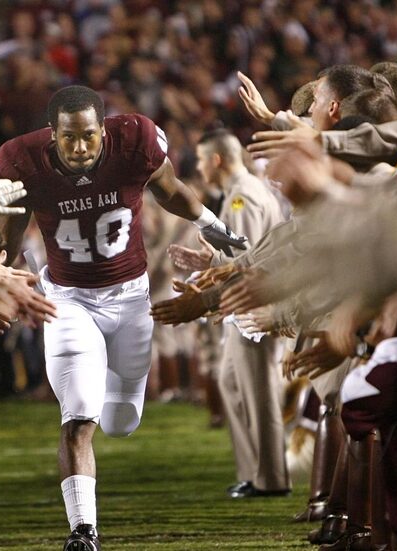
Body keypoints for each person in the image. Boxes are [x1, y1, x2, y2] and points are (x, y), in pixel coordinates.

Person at [0, 85, 245, 551]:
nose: (80, 147)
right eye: (68, 138)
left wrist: (213, 226)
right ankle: (83, 531)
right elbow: (6, 235)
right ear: (52, 135)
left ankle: (107, 387)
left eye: (88, 136)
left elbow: (170, 190)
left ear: (104, 130)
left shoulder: (135, 141)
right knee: (78, 417)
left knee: (121, 421)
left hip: (130, 297)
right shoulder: (22, 161)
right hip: (68, 299)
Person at [166, 128, 289, 498]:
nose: (200, 166)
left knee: (258, 391)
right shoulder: (239, 193)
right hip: (242, 305)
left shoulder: (243, 197)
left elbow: (249, 260)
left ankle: (269, 478)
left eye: (202, 159)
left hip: (251, 307)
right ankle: (255, 472)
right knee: (233, 383)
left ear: (216, 159)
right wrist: (209, 263)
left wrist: (210, 295)